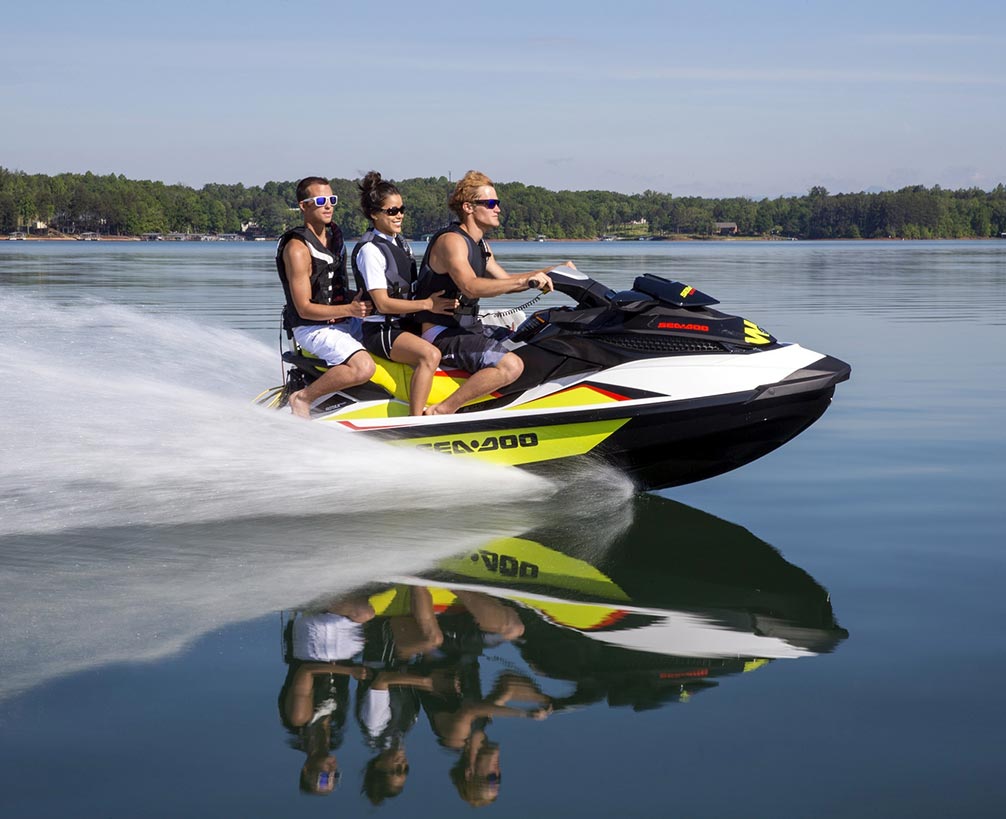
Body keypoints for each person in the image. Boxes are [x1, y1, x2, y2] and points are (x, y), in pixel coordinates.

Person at [413, 170, 574, 415]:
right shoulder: (451, 241)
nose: (497, 208)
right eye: (490, 203)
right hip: (442, 333)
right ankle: (443, 410)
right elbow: (471, 286)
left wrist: (554, 271)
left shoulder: (481, 245)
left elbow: (505, 279)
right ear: (468, 207)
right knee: (510, 366)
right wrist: (528, 282)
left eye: (497, 203)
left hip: (467, 327)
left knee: (530, 340)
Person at [351, 171, 457, 415]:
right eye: (392, 211)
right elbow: (383, 303)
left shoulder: (399, 242)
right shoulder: (370, 250)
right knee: (429, 355)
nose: (399, 215)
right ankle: (416, 420)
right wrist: (427, 305)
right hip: (382, 330)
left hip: (404, 324)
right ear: (374, 214)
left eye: (401, 209)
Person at [277, 176, 376, 419]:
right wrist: (351, 310)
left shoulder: (334, 237)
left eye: (332, 199)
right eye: (320, 200)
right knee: (364, 367)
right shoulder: (297, 248)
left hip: (343, 319)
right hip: (312, 328)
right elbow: (304, 309)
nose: (328, 205)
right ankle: (303, 398)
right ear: (304, 206)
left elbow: (337, 292)